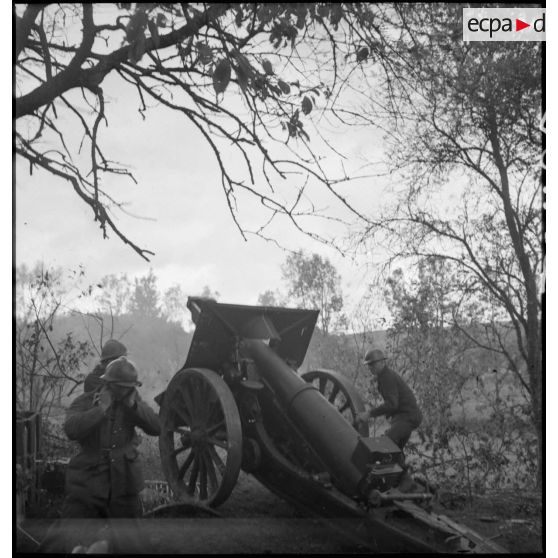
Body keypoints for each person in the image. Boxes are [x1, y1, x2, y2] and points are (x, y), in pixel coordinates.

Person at [60, 356, 160, 551]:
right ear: (108, 384)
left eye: (128, 388)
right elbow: (71, 429)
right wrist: (101, 409)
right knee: (70, 538)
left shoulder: (133, 403)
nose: (124, 391)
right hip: (89, 483)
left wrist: (134, 406)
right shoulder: (87, 401)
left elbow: (157, 427)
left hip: (124, 482)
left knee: (132, 543)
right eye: (119, 387)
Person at [356, 348, 422, 492]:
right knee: (395, 450)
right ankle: (395, 484)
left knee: (387, 444)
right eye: (369, 365)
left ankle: (401, 482)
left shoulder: (386, 377)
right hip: (405, 416)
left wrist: (369, 414)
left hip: (407, 416)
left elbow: (392, 404)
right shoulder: (384, 377)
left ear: (382, 363)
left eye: (373, 364)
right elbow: (393, 404)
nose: (371, 368)